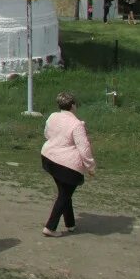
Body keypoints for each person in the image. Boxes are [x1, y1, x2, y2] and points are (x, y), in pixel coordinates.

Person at [40, 92, 96, 237]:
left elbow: (47, 134)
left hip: (48, 157)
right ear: (73, 106)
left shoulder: (53, 116)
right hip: (67, 165)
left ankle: (70, 223)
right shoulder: (76, 124)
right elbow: (84, 148)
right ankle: (50, 227)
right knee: (64, 195)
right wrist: (90, 166)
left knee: (65, 192)